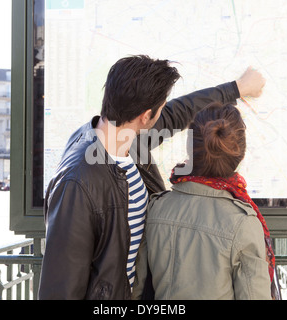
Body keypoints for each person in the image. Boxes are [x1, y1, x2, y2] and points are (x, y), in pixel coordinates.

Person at [38, 54, 266, 300]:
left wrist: (236, 89)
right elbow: (59, 290)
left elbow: (178, 113)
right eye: (160, 107)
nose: (164, 113)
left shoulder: (122, 136)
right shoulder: (77, 184)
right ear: (145, 116)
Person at [133, 102, 280, 300]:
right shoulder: (243, 224)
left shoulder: (157, 208)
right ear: (240, 154)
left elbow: (137, 291)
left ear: (190, 149)